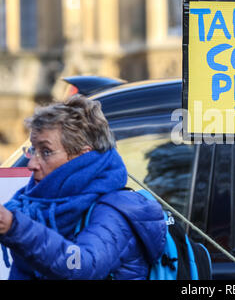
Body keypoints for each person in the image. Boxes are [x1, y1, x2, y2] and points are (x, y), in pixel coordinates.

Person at [0, 94, 166, 279]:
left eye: (46, 152)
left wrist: (15, 228)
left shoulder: (114, 212)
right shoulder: (33, 204)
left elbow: (83, 265)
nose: (31, 164)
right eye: (33, 150)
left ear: (82, 156)